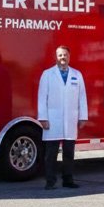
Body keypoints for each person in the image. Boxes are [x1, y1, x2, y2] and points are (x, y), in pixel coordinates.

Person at [37, 45, 88, 190]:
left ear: (69, 56)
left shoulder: (77, 75)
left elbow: (82, 97)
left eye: (65, 55)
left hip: (70, 120)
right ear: (56, 57)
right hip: (52, 120)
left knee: (69, 153)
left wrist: (83, 116)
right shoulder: (47, 74)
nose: (63, 58)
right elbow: (42, 97)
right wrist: (43, 118)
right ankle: (50, 181)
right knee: (51, 155)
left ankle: (68, 180)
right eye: (60, 55)